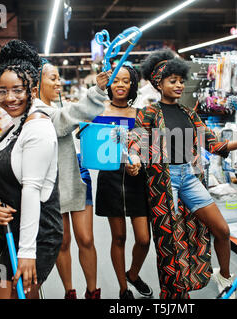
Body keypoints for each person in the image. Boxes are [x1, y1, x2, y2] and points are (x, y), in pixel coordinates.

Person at [126, 50, 237, 299]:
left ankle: (225, 277)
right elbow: (137, 139)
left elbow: (214, 145)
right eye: (172, 80)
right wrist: (133, 158)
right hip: (164, 182)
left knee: (221, 230)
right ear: (158, 83)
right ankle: (174, 294)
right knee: (170, 245)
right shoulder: (149, 113)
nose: (178, 85)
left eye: (180, 80)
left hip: (189, 177)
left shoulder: (189, 114)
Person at [0, 40, 62, 299]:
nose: (9, 98)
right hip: (6, 234)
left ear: (32, 89)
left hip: (35, 236)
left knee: (13, 293)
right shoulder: (12, 128)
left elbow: (32, 192)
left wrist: (27, 253)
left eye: (17, 90)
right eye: (2, 91)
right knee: (22, 293)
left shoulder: (38, 129)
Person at [33, 60, 108, 299]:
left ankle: (92, 291)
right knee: (62, 242)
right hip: (52, 184)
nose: (58, 82)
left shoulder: (57, 105)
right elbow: (66, 118)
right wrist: (96, 91)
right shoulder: (37, 112)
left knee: (86, 238)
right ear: (37, 83)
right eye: (52, 78)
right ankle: (70, 292)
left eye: (58, 78)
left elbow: (69, 121)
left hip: (76, 174)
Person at [92, 65, 153, 299]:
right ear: (109, 84)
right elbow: (91, 145)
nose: (120, 85)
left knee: (144, 239)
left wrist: (138, 162)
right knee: (118, 237)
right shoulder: (99, 111)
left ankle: (134, 274)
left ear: (132, 86)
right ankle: (123, 289)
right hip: (111, 180)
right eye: (116, 80)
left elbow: (146, 150)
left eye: (126, 81)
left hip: (137, 180)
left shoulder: (140, 114)